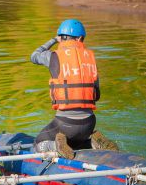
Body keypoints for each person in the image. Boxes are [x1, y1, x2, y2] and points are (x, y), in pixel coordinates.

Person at [30, 19, 118, 159]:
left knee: (37, 144)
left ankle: (55, 146)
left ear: (61, 38)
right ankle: (93, 142)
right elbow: (97, 95)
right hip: (89, 123)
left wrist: (53, 39)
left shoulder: (52, 56)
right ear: (80, 38)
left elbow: (34, 56)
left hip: (65, 125)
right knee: (76, 142)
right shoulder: (90, 58)